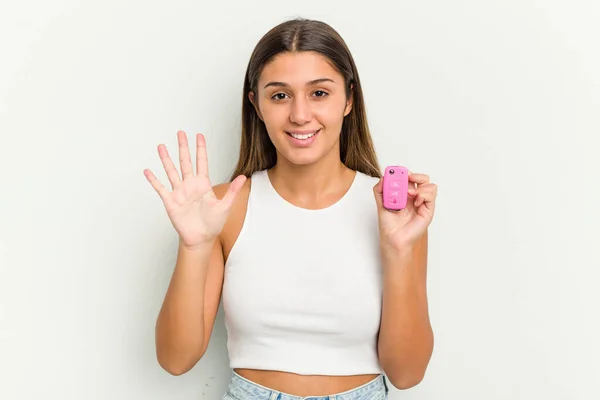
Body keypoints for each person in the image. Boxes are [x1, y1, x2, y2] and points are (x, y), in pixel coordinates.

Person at [144, 18, 438, 400]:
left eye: (319, 93)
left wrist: (399, 250)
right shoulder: (225, 208)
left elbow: (407, 373)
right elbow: (175, 359)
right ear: (257, 104)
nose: (300, 114)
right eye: (280, 95)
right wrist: (194, 246)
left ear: (349, 99)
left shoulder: (393, 213)